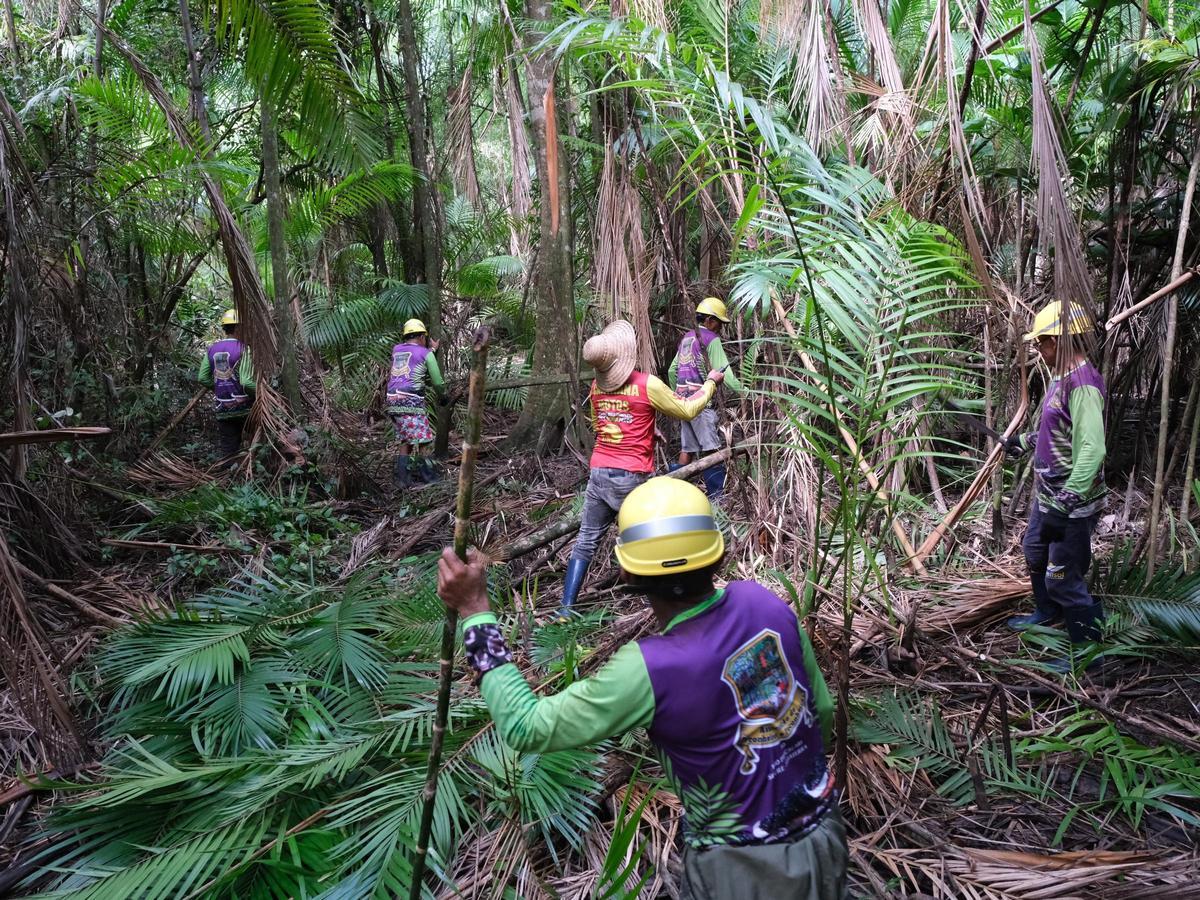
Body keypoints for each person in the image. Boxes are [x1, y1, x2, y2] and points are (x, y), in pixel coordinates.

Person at [438, 478, 846, 900]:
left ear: (627, 569)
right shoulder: (763, 601)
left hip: (739, 871)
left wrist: (475, 613)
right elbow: (823, 709)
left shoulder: (649, 667)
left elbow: (527, 726)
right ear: (717, 551)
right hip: (825, 835)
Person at [561, 319, 724, 617]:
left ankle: (566, 608)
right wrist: (711, 382)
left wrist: (648, 431)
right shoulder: (646, 384)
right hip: (630, 476)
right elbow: (686, 409)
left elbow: (603, 426)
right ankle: (666, 605)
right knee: (649, 540)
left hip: (599, 472)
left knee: (586, 540)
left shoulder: (597, 387)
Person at [1003, 300, 1106, 673]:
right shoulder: (1062, 379)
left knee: (1061, 575)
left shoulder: (1083, 386)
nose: (1039, 349)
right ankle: (1047, 612)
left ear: (1061, 342)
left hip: (1070, 503)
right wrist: (1024, 442)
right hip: (1049, 496)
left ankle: (1090, 655)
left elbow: (1092, 448)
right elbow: (1056, 431)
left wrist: (1065, 503)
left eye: (1043, 342)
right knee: (1034, 549)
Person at [668, 297, 744, 499]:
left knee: (688, 449)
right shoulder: (710, 339)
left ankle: (670, 493)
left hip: (683, 404)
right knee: (711, 449)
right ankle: (717, 499)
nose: (720, 328)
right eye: (719, 322)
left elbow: (672, 370)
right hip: (701, 405)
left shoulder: (687, 338)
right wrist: (746, 392)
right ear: (710, 320)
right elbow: (725, 375)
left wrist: (678, 393)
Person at [386, 318, 446, 488]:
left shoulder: (397, 350)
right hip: (410, 400)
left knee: (405, 440)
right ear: (422, 337)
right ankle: (429, 477)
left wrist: (432, 349)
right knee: (424, 440)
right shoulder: (425, 354)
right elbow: (437, 381)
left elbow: (412, 360)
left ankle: (402, 479)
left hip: (392, 400)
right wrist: (443, 396)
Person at [197, 308, 256, 458]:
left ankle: (230, 476)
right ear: (238, 327)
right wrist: (261, 392)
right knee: (255, 446)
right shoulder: (244, 348)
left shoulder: (211, 350)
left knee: (229, 450)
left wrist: (218, 388)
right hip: (246, 410)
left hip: (222, 408)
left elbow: (202, 378)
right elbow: (246, 382)